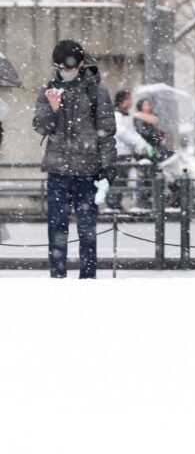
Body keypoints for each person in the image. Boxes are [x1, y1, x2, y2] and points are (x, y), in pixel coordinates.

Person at [33, 40, 116, 279]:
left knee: (87, 230)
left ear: (81, 63)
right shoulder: (48, 90)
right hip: (57, 170)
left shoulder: (96, 91)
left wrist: (108, 167)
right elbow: (41, 127)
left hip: (88, 171)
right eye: (60, 65)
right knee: (56, 228)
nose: (65, 69)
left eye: (69, 64)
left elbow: (107, 132)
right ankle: (57, 277)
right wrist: (53, 107)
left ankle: (87, 279)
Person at [106, 90, 154, 211]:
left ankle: (117, 203)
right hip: (117, 152)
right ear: (121, 101)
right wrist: (141, 145)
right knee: (117, 180)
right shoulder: (116, 116)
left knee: (122, 180)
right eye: (128, 99)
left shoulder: (127, 115)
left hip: (125, 153)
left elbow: (132, 133)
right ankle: (113, 204)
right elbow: (123, 133)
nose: (130, 102)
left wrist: (143, 145)